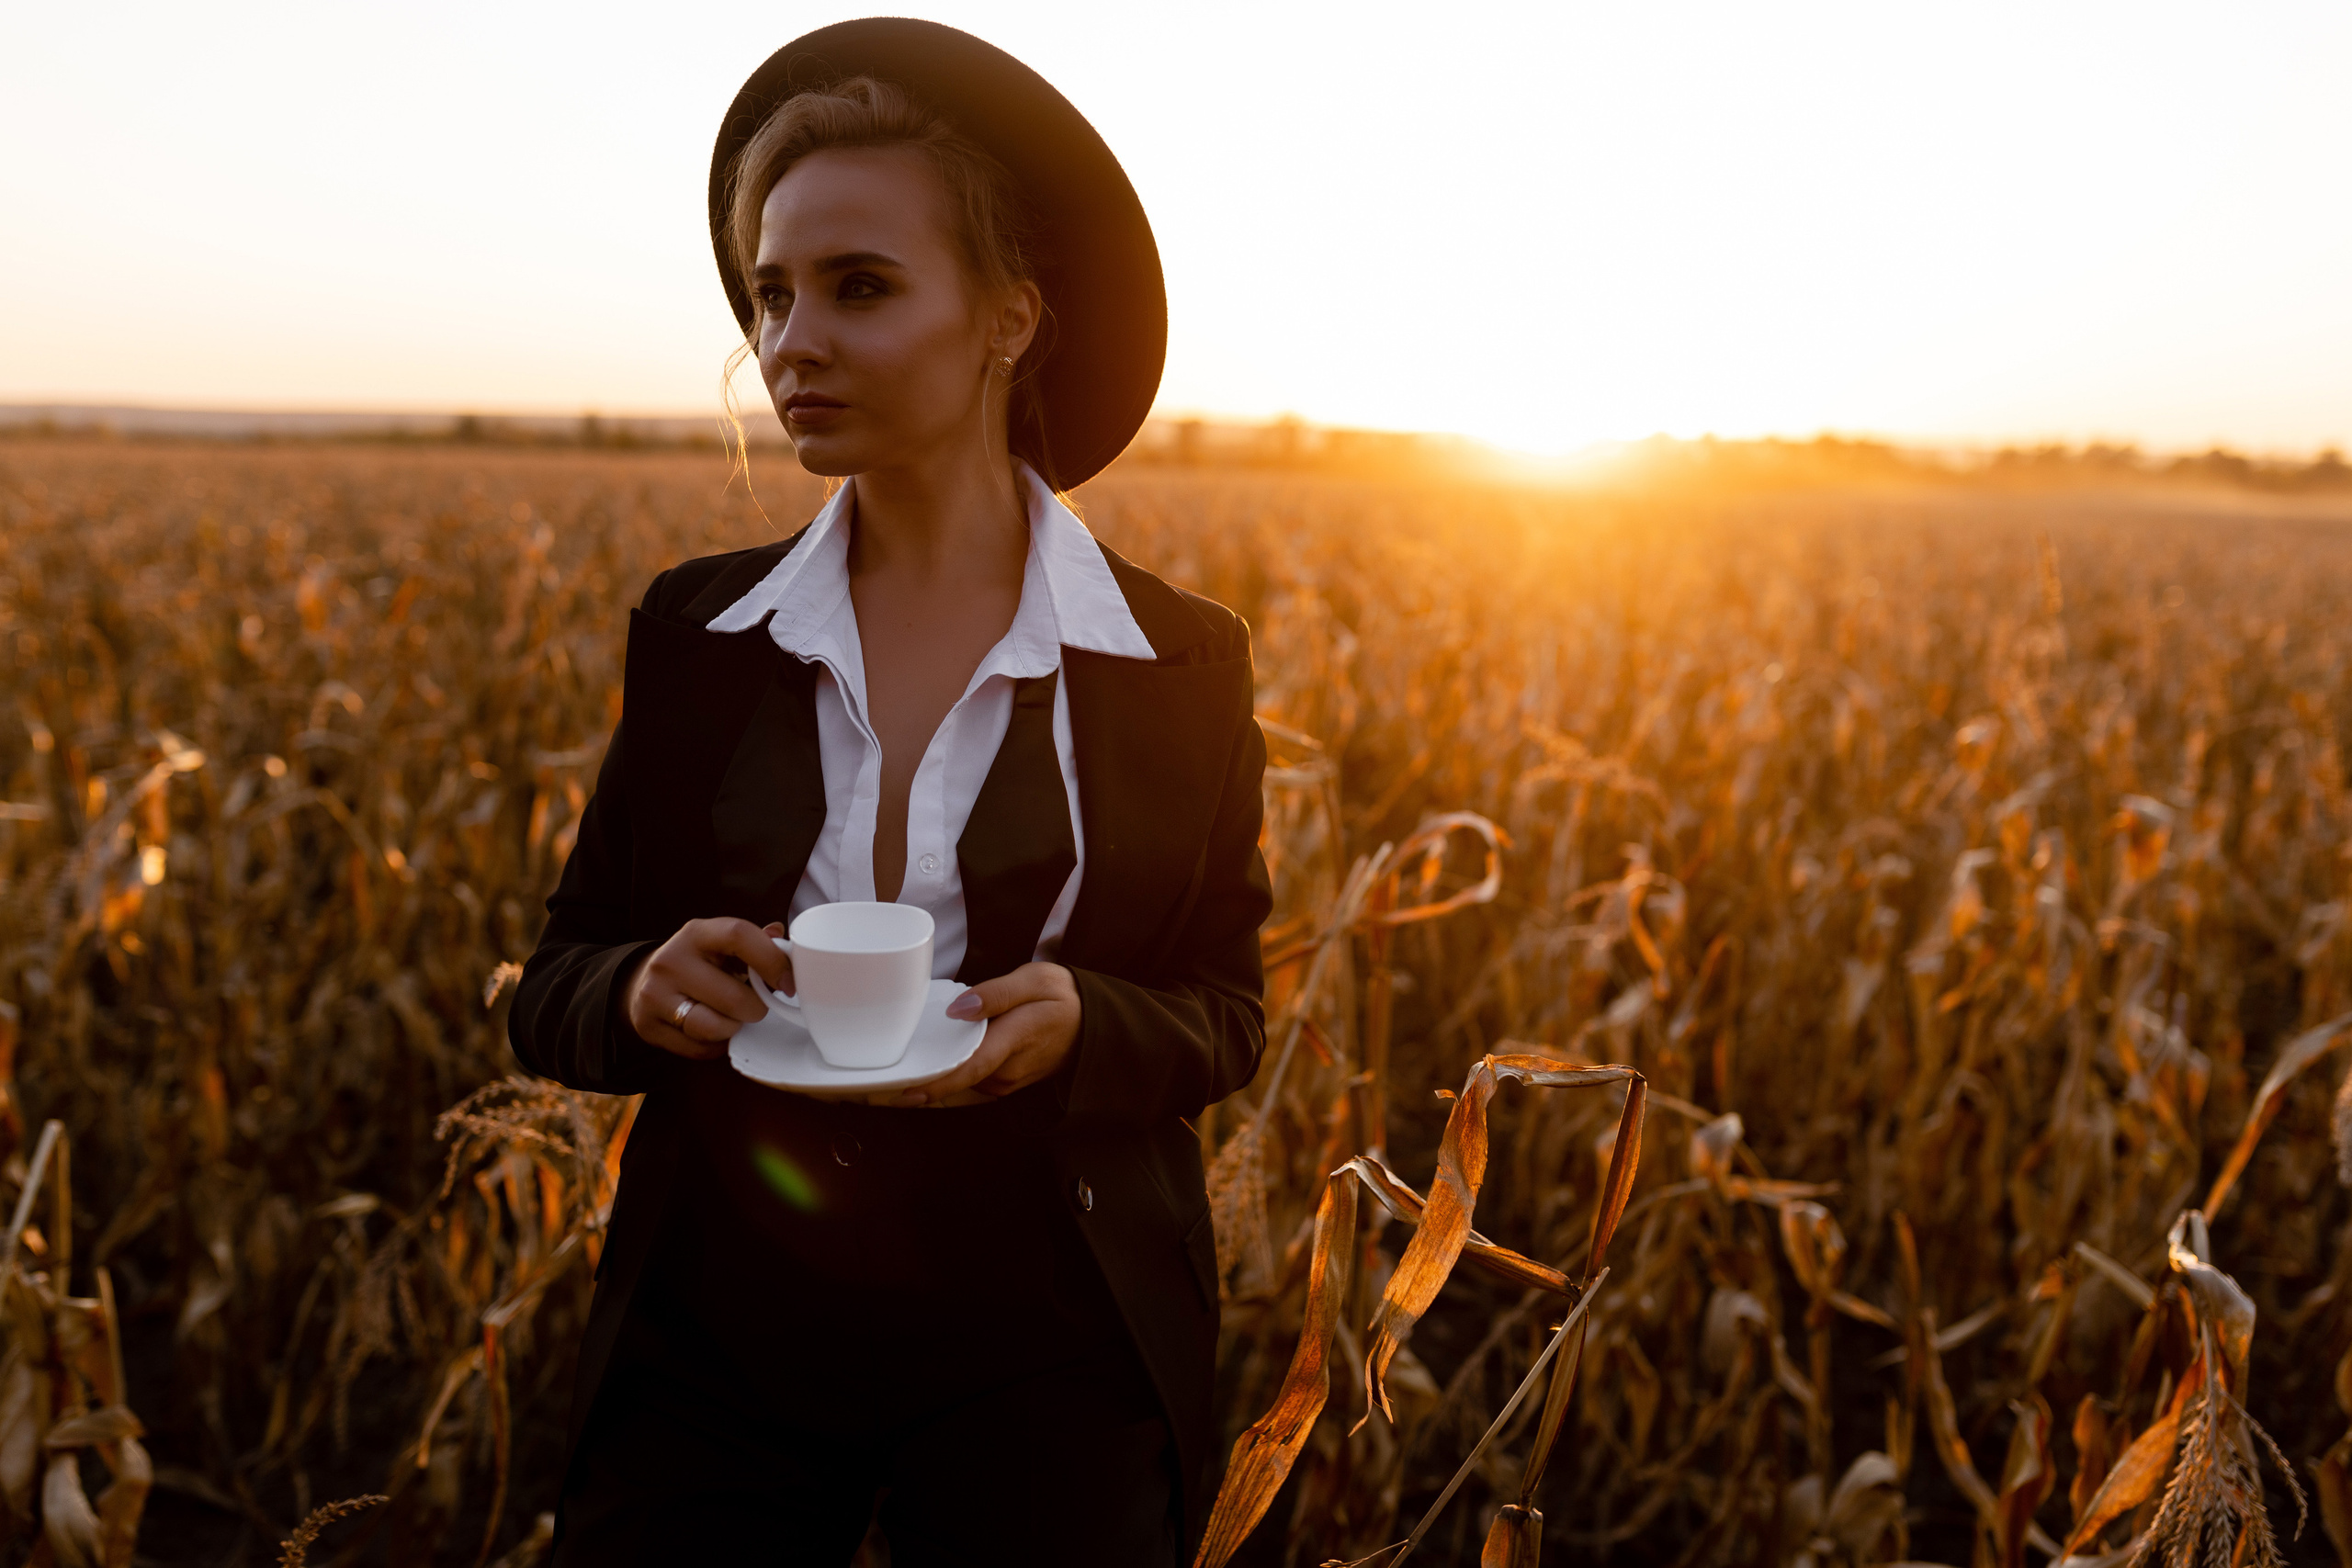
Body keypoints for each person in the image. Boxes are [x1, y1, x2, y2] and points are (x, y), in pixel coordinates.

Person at [506, 18, 1271, 1566]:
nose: (790, 340)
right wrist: (638, 992)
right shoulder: (699, 634)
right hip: (723, 1319)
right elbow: (558, 980)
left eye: (861, 288)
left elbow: (1223, 1010)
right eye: (773, 294)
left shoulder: (1178, 662)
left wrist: (1090, 1025)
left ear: (1009, 319)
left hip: (1053, 1326)